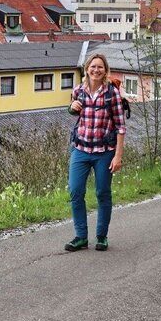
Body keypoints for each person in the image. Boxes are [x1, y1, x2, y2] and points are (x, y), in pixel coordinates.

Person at [65, 53, 126, 252]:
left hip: (104, 152)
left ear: (105, 71)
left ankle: (101, 236)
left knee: (103, 193)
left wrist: (118, 156)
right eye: (93, 67)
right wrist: (71, 107)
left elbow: (120, 127)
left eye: (100, 67)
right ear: (87, 69)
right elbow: (73, 111)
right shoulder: (78, 91)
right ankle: (81, 236)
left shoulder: (112, 94)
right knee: (75, 191)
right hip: (80, 149)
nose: (96, 70)